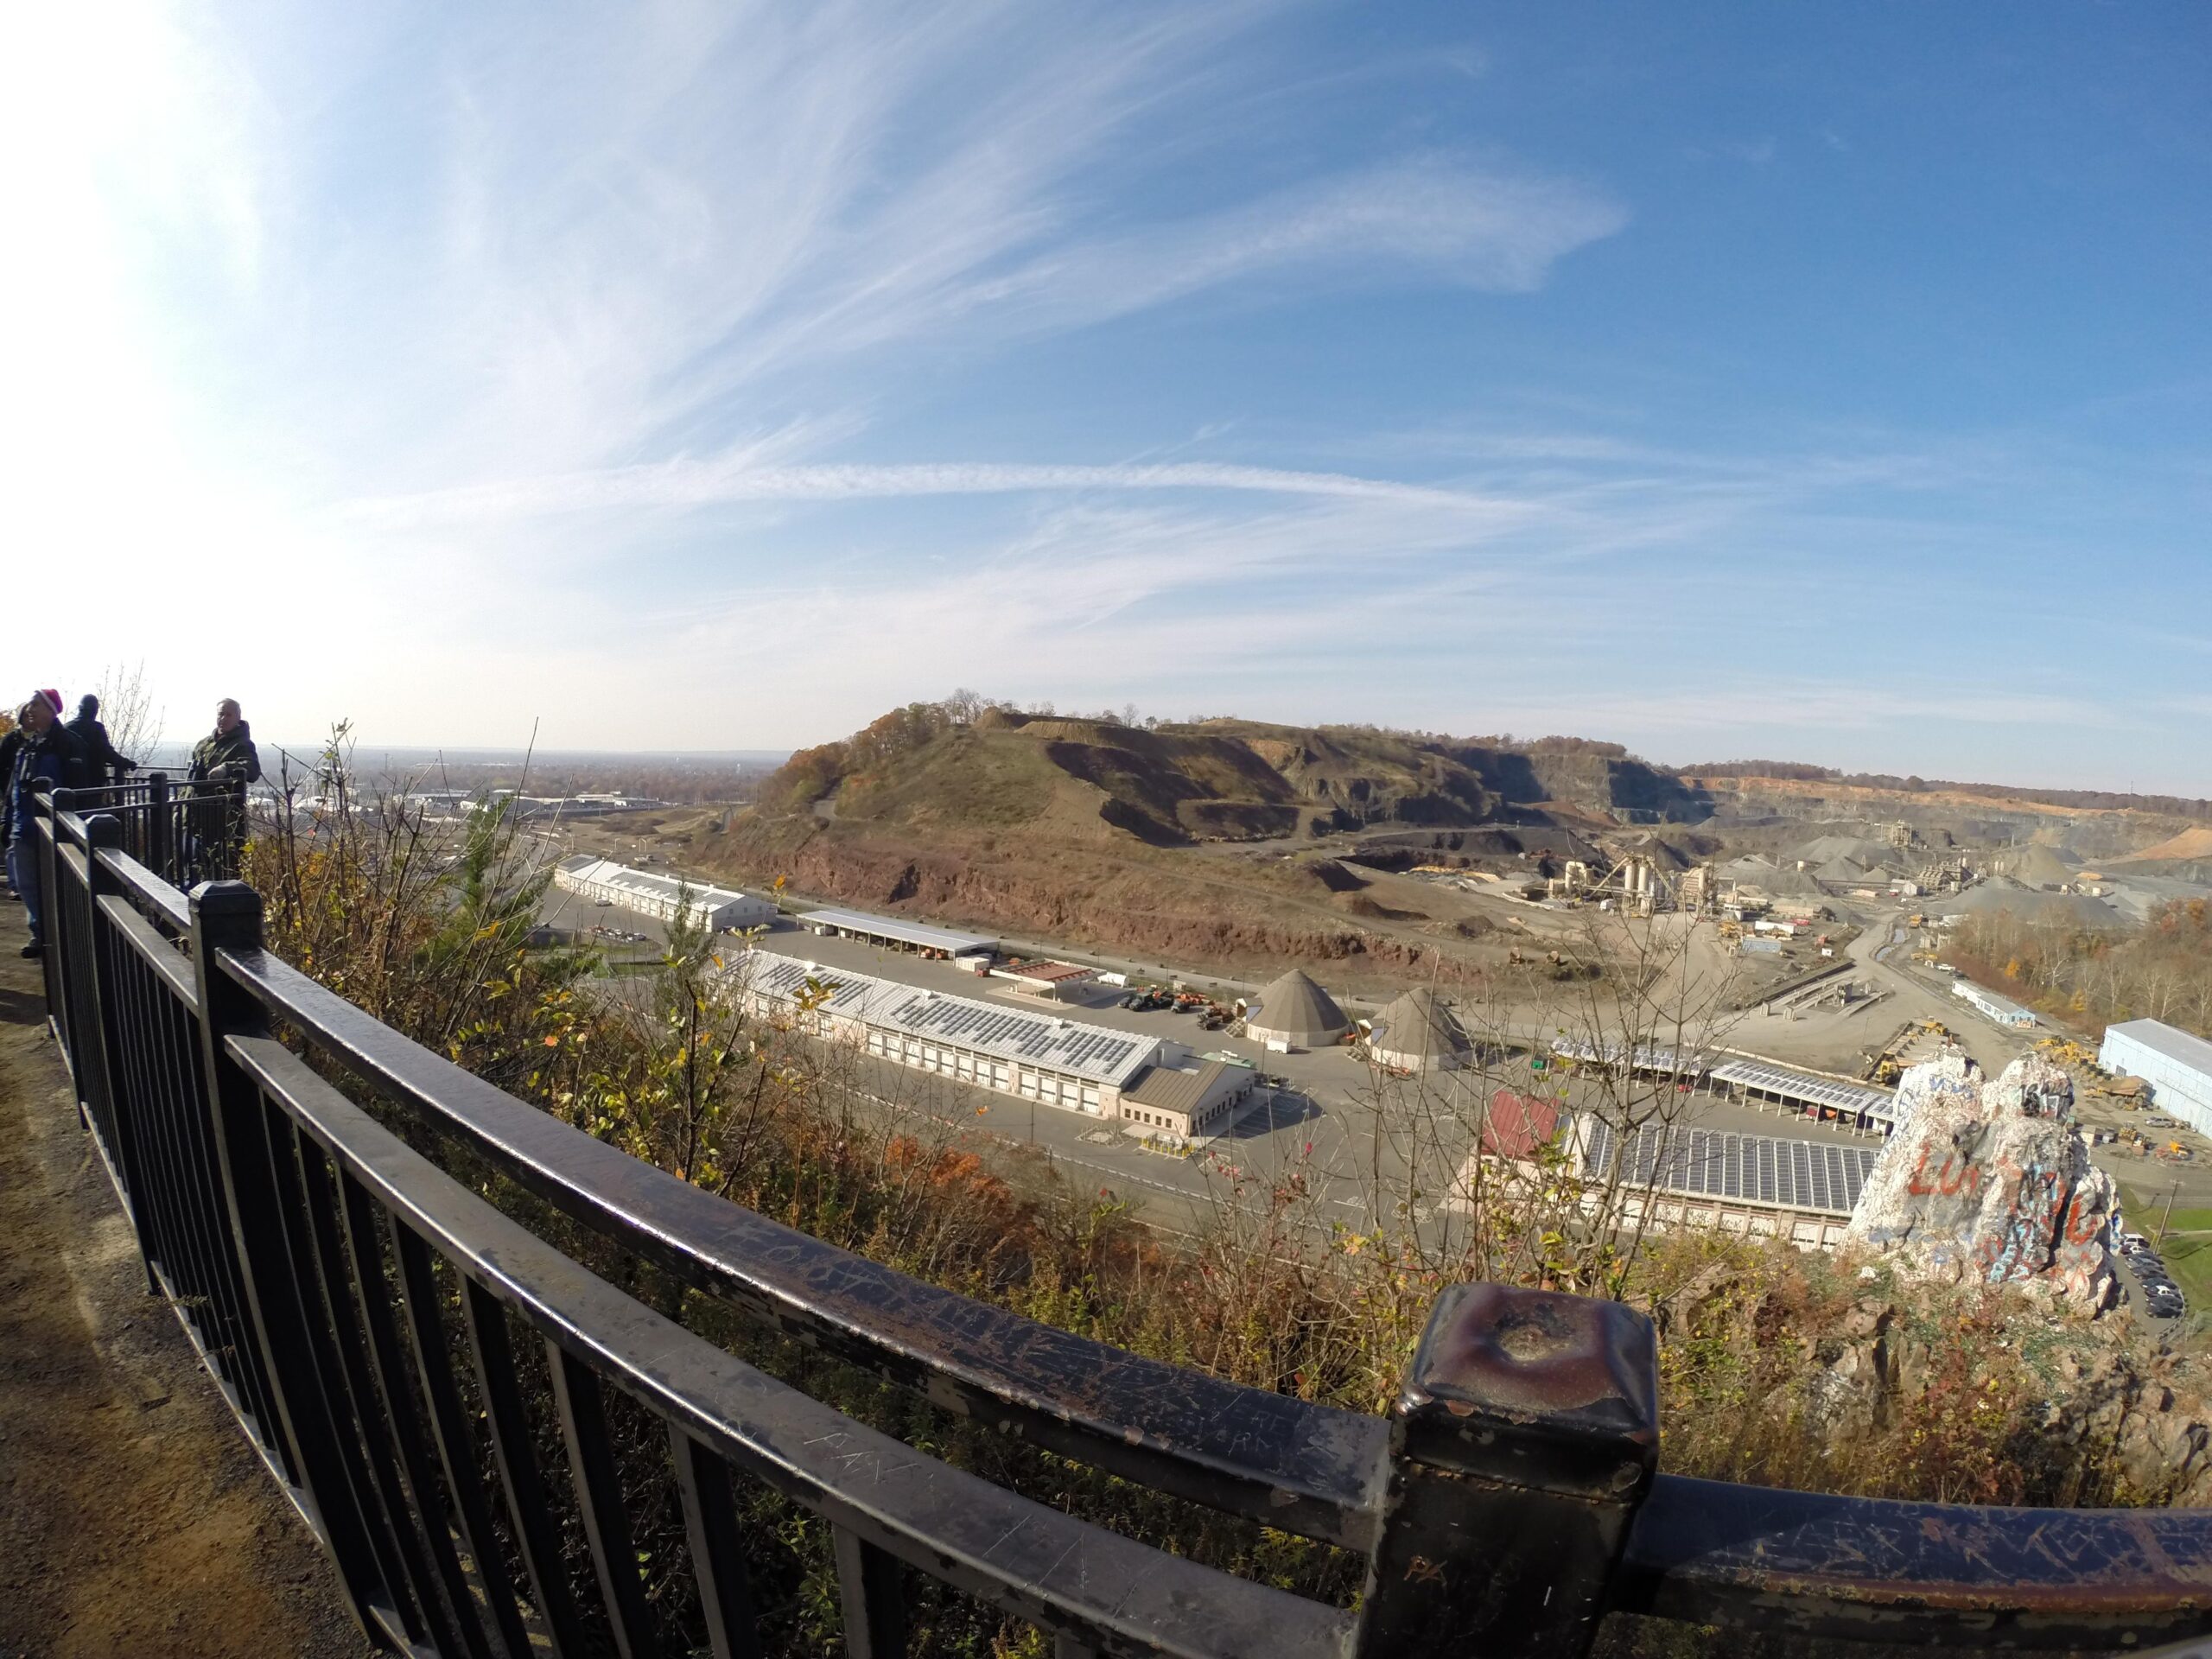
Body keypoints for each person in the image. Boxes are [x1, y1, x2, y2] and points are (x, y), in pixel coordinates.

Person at [7, 691, 91, 957]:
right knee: (27, 884)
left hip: (55, 829)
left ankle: (61, 936)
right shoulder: (27, 745)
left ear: (51, 710)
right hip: (24, 827)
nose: (29, 709)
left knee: (56, 886)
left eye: (36, 704)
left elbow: (79, 787)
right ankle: (40, 934)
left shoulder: (67, 743)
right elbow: (14, 788)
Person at [187, 698, 261, 880]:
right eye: (221, 714)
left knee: (217, 868)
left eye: (229, 715)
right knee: (190, 862)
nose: (223, 718)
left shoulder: (242, 744)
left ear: (237, 718)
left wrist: (226, 768)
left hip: (220, 818)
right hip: (193, 813)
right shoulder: (204, 744)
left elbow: (253, 769)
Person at [66, 694, 136, 786]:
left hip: (68, 782)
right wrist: (126, 763)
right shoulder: (96, 729)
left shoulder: (67, 728)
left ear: (80, 708)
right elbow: (108, 753)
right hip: (93, 782)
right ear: (95, 710)